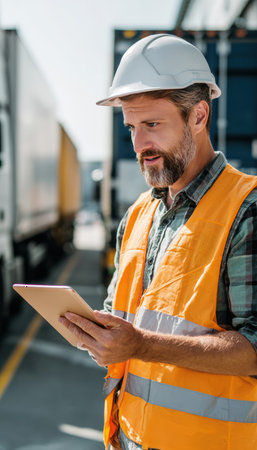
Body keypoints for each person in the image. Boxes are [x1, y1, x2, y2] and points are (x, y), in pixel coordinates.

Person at [59, 34, 257, 450]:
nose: (139, 145)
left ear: (198, 116)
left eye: (152, 124)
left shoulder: (247, 208)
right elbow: (125, 317)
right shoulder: (136, 216)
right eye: (131, 126)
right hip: (128, 438)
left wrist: (141, 344)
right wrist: (98, 333)